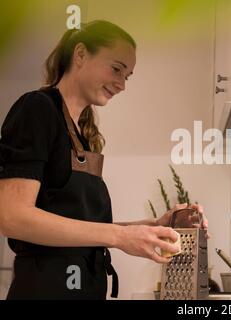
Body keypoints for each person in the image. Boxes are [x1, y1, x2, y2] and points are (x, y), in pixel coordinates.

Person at [0, 20, 208, 300]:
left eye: (127, 76)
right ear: (81, 54)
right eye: (116, 68)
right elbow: (11, 216)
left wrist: (152, 226)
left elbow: (80, 226)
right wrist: (120, 237)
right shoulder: (37, 109)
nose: (122, 84)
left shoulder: (81, 133)